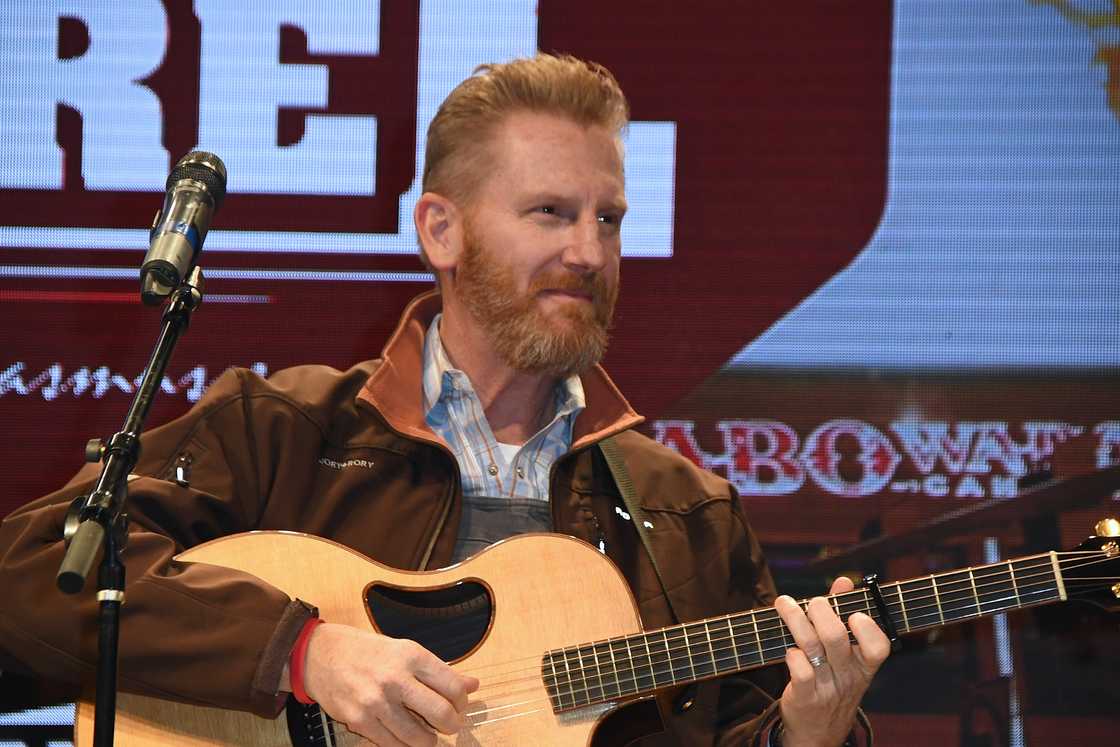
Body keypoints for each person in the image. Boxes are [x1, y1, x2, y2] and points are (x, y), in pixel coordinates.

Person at [0, 54, 889, 746]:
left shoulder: (685, 511)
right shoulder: (283, 429)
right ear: (441, 229)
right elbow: (28, 570)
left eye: (608, 218)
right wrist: (303, 653)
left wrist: (812, 729)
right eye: (550, 212)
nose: (589, 250)